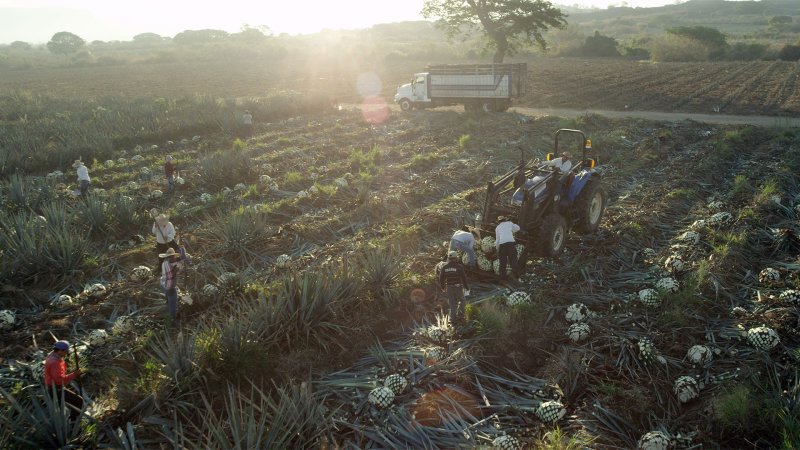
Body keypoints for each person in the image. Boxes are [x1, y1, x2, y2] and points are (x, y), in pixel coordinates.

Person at [44, 340, 83, 422]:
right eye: (66, 351)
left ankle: (69, 420)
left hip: (52, 388)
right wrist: (74, 374)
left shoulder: (52, 356)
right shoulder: (55, 362)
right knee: (78, 401)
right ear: (60, 351)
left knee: (62, 406)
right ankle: (74, 423)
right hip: (56, 390)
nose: (67, 353)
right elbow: (60, 380)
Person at [438, 250, 470, 325]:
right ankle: (461, 315)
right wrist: (467, 287)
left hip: (449, 287)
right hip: (458, 287)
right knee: (462, 301)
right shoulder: (459, 267)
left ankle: (454, 321)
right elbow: (463, 278)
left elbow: (441, 278)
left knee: (452, 304)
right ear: (456, 258)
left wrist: (443, 287)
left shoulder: (445, 267)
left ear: (448, 258)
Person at [160, 247, 185, 322]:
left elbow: (180, 270)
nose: (172, 257)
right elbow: (170, 276)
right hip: (168, 286)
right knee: (173, 302)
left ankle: (168, 307)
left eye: (173, 256)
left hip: (167, 285)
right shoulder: (165, 263)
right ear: (167, 257)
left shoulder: (172, 262)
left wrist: (181, 261)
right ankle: (173, 319)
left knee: (169, 298)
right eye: (170, 256)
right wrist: (176, 268)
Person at [495, 216, 520, 281]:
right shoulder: (509, 223)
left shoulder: (497, 228)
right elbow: (518, 228)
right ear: (505, 220)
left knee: (502, 262)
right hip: (511, 244)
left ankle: (502, 278)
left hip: (502, 245)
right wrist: (512, 230)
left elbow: (497, 240)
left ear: (498, 222)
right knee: (513, 259)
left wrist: (497, 248)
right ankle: (516, 275)